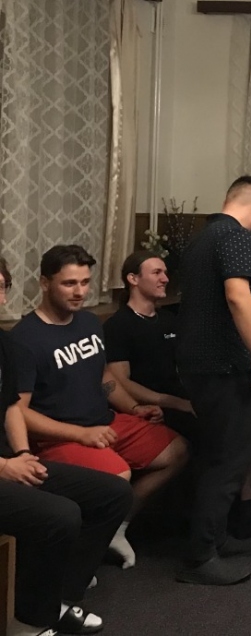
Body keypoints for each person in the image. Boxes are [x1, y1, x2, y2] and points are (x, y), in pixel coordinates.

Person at [8, 245, 188, 572]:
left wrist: (134, 407)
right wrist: (81, 434)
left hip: (105, 421)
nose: (79, 292)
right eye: (69, 283)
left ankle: (117, 528)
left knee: (177, 450)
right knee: (117, 476)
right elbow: (18, 410)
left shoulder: (89, 323)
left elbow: (104, 377)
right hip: (59, 438)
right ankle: (79, 557)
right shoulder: (24, 339)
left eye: (85, 282)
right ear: (45, 283)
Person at [0, 255, 132, 635]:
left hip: (10, 460)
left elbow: (11, 407)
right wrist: (6, 467)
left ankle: (59, 600)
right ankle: (27, 622)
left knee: (113, 495)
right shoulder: (24, 338)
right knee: (60, 515)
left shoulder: (2, 343)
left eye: (1, 288)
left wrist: (23, 454)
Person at [175, 176, 251, 585]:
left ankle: (215, 538)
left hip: (199, 365)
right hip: (224, 366)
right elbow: (237, 295)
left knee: (216, 454)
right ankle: (200, 556)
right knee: (229, 460)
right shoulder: (236, 237)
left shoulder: (203, 237)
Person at [104, 251, 198, 444]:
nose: (165, 279)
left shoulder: (169, 319)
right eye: (156, 273)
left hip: (180, 398)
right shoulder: (118, 325)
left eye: (165, 273)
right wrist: (175, 403)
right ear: (133, 279)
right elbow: (121, 381)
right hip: (150, 408)